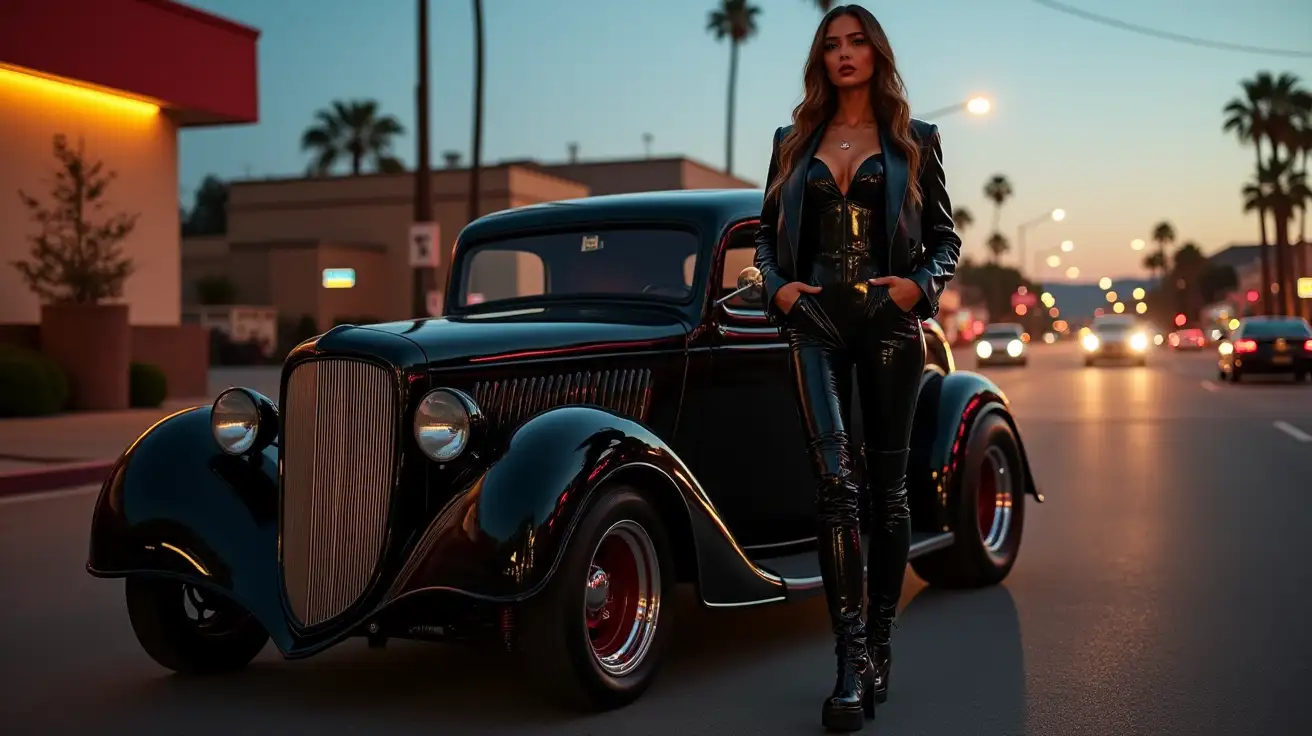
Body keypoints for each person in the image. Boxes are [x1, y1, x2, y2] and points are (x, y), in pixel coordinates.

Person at [752, 4, 961, 732]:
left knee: (888, 489)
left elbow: (944, 238)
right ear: (822, 59)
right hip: (812, 320)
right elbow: (764, 243)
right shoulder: (791, 141)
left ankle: (880, 643)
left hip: (888, 321)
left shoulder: (916, 140)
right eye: (832, 45)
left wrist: (918, 287)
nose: (845, 54)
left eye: (857, 42)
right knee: (836, 486)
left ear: (876, 52)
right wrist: (777, 287)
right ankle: (847, 662)